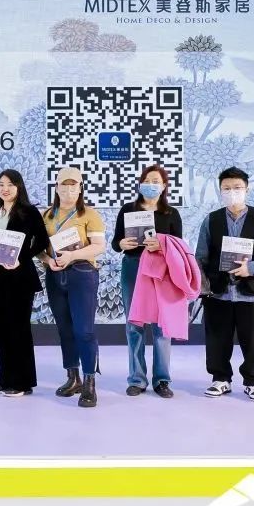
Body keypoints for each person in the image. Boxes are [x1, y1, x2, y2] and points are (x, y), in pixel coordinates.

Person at [196, 167, 254, 402]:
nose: (232, 192)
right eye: (226, 188)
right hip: (219, 292)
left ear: (247, 190)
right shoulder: (211, 219)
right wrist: (204, 286)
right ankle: (220, 379)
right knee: (217, 338)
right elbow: (201, 256)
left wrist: (251, 268)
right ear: (220, 191)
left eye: (237, 188)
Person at [111, 164, 184, 399]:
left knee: (162, 325)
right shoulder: (128, 210)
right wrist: (121, 244)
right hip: (133, 268)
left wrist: (162, 244)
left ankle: (162, 380)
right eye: (147, 180)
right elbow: (115, 242)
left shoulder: (171, 214)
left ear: (164, 186)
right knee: (134, 324)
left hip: (162, 270)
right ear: (140, 183)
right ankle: (137, 379)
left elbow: (179, 247)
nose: (151, 185)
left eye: (156, 181)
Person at [40, 167, 107, 408]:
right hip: (55, 275)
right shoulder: (47, 215)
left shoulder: (89, 214)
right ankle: (73, 377)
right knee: (65, 329)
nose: (68, 191)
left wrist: (72, 256)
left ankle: (89, 382)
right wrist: (47, 260)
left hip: (82, 274)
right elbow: (39, 248)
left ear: (80, 188)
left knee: (84, 331)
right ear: (56, 188)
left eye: (73, 186)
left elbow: (98, 246)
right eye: (64, 186)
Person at [0, 170, 49, 397]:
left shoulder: (29, 212)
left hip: (21, 277)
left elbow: (41, 241)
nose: (5, 189)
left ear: (19, 187)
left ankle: (22, 382)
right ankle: (6, 379)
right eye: (1, 184)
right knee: (2, 328)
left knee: (19, 328)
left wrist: (21, 259)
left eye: (10, 184)